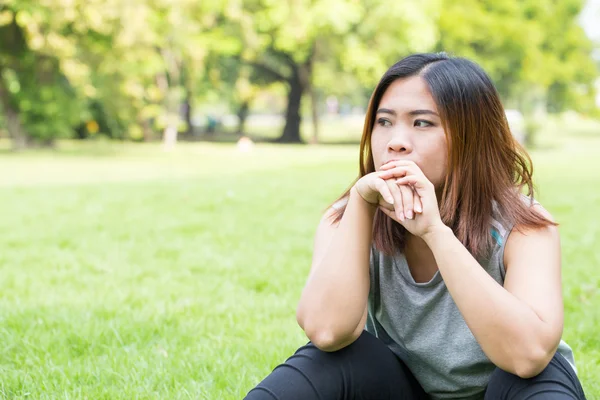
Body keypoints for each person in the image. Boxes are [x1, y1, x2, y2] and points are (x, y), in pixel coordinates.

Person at [244, 53, 587, 400]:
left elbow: (527, 356)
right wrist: (362, 205)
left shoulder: (524, 226)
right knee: (332, 361)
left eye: (422, 123)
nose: (396, 141)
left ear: (471, 136)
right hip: (402, 391)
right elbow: (327, 332)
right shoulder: (346, 219)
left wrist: (436, 233)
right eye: (384, 121)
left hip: (509, 388)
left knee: (537, 380)